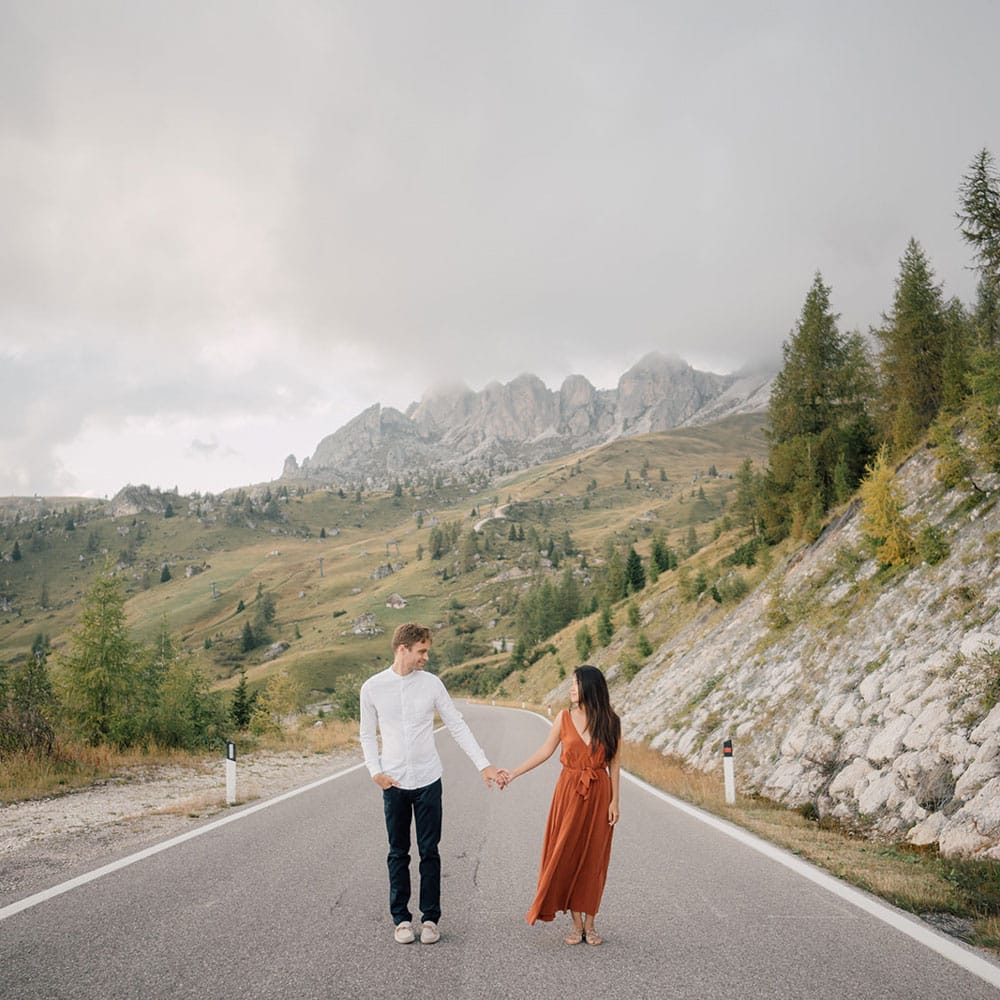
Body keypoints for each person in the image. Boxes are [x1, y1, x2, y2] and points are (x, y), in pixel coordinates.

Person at [360, 622, 501, 945]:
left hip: (428, 780)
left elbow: (457, 725)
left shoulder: (432, 685)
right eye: (421, 651)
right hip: (393, 783)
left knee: (429, 852)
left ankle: (430, 919)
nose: (425, 657)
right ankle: (401, 920)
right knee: (398, 852)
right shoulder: (373, 687)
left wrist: (484, 765)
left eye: (427, 651)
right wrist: (375, 771)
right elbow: (367, 734)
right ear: (403, 649)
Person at [497, 664, 620, 946]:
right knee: (566, 854)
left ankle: (591, 924)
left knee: (594, 860)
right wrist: (513, 773)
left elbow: (615, 763)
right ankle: (576, 926)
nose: (571, 689)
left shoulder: (612, 721)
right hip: (568, 792)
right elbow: (544, 752)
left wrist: (615, 801)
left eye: (576, 683)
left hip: (600, 794)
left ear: (590, 686)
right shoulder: (564, 717)